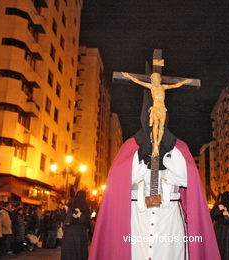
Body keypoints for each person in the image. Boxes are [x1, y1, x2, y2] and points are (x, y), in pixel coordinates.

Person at [89, 83, 220, 260]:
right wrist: (142, 153)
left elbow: (186, 178)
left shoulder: (178, 147)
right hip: (137, 220)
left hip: (169, 221)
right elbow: (121, 179)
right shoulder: (130, 147)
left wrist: (168, 148)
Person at [121, 72, 191, 156]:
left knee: (161, 126)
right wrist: (128, 76)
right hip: (155, 108)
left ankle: (157, 144)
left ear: (159, 79)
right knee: (155, 125)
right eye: (153, 79)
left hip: (162, 109)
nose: (155, 80)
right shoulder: (152, 87)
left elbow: (175, 85)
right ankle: (155, 147)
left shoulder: (163, 87)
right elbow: (138, 81)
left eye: (156, 78)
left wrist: (184, 82)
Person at [211, 191, 229, 260]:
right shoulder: (218, 206)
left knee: (228, 252)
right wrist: (219, 210)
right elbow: (210, 215)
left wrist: (227, 215)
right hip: (220, 232)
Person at [61, 190, 90, 260]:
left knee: (68, 251)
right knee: (79, 250)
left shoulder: (70, 204)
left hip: (69, 231)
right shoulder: (85, 205)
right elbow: (86, 220)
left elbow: (62, 217)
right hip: (79, 231)